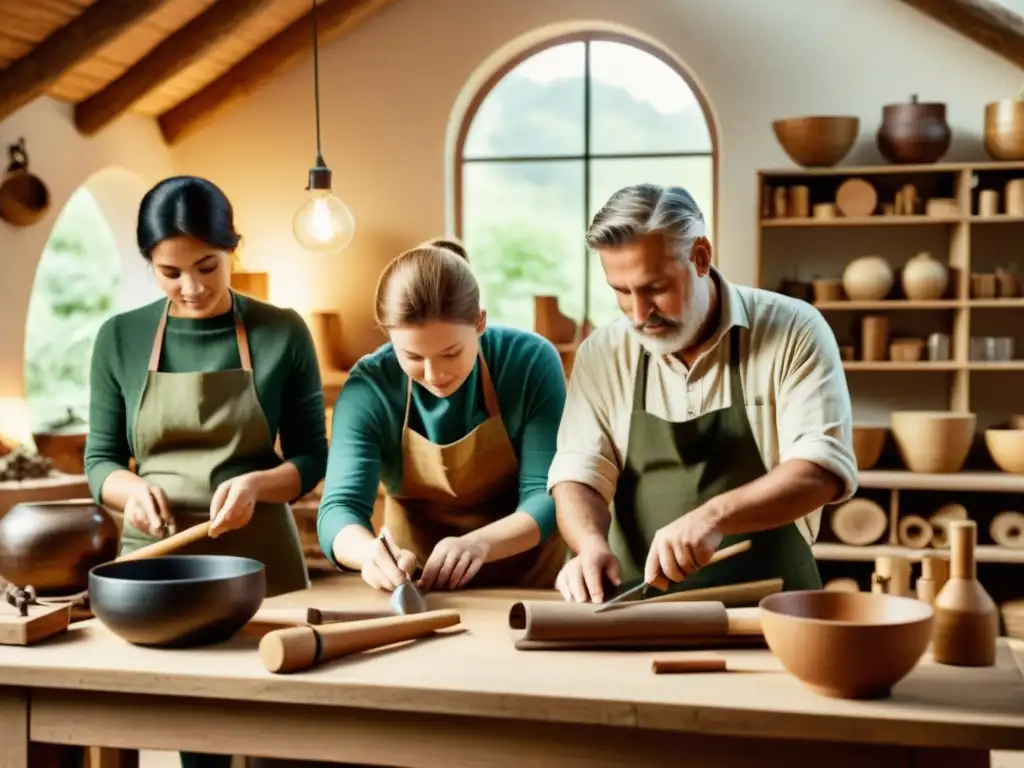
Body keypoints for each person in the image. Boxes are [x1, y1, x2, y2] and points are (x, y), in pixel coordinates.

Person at [84, 175, 328, 768]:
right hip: (156, 567)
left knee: (278, 736)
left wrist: (257, 485)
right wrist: (130, 490)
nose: (191, 287)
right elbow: (101, 459)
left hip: (259, 556)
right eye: (170, 272)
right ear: (149, 262)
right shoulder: (119, 338)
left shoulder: (283, 330)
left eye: (207, 266)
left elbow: (310, 456)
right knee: (196, 736)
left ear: (232, 249)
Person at [547, 183, 858, 604]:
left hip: (771, 612)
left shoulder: (794, 330)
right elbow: (578, 472)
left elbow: (820, 470)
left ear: (700, 256)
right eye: (621, 291)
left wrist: (714, 515)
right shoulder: (603, 353)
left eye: (655, 287)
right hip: (636, 610)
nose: (639, 315)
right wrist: (589, 546)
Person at [317, 238, 568, 592]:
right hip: (421, 586)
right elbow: (339, 509)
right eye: (413, 358)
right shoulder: (369, 387)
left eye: (450, 353)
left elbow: (547, 494)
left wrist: (478, 543)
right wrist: (368, 553)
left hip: (530, 583)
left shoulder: (528, 362)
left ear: (479, 322)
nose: (434, 374)